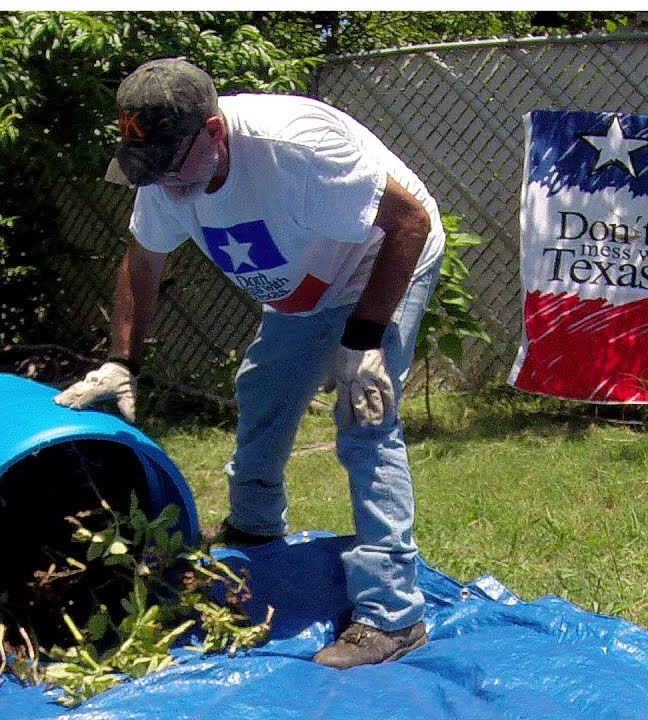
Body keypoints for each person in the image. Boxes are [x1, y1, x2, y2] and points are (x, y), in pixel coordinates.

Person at [54, 58, 446, 670]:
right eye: (146, 170)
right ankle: (254, 527)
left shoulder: (297, 147)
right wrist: (121, 363)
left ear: (214, 132)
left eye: (170, 167)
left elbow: (408, 223)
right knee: (264, 391)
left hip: (379, 262)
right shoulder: (168, 171)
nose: (161, 185)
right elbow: (142, 260)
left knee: (365, 419)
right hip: (306, 284)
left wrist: (364, 341)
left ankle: (393, 615)